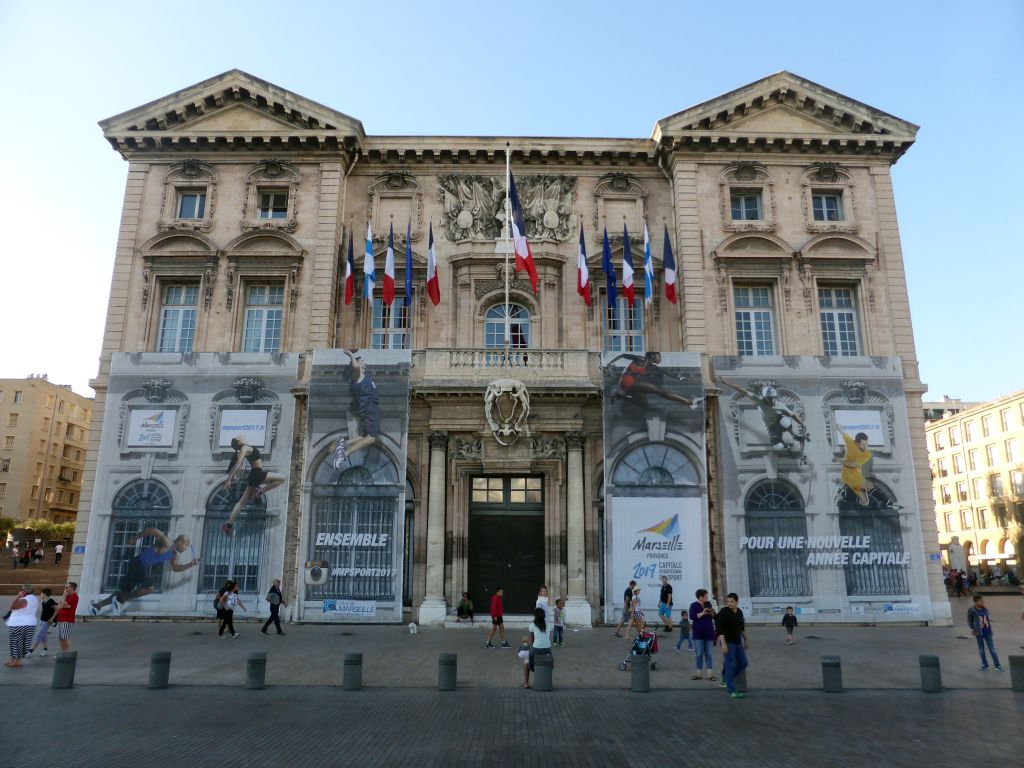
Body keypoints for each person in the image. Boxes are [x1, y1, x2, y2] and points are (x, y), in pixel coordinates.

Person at [90, 529, 199, 616]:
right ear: (180, 542)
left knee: (124, 591)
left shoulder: (174, 555)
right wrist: (134, 538)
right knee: (150, 588)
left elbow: (175, 568)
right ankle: (119, 600)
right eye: (186, 545)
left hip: (138, 565)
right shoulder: (168, 542)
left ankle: (96, 606)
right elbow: (152, 530)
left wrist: (191, 564)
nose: (185, 548)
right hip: (138, 562)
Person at [222, 436, 285, 537]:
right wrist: (229, 478)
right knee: (282, 478)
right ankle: (260, 492)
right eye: (239, 436)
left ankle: (228, 525)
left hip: (255, 474)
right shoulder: (244, 448)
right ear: (240, 441)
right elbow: (238, 464)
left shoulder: (245, 448)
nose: (241, 435)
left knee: (242, 502)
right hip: (256, 474)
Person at [328, 349, 382, 468]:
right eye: (362, 361)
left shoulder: (365, 375)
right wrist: (351, 356)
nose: (364, 362)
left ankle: (342, 443)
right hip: (369, 408)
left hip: (370, 408)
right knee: (371, 438)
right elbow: (355, 367)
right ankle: (344, 454)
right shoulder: (358, 376)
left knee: (364, 437)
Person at [723, 381, 809, 452]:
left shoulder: (780, 405)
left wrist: (801, 424)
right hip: (771, 427)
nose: (771, 400)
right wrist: (727, 383)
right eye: (769, 399)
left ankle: (793, 435)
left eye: (773, 398)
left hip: (778, 421)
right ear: (764, 398)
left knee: (785, 420)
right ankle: (784, 446)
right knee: (777, 445)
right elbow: (742, 391)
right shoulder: (760, 400)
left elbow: (793, 415)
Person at [607, 351, 704, 410]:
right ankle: (690, 402)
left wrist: (679, 378)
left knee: (644, 405)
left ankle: (619, 396)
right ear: (652, 355)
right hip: (627, 381)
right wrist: (609, 364)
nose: (660, 358)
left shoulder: (651, 366)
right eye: (659, 356)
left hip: (629, 385)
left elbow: (665, 371)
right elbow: (623, 355)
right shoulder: (640, 359)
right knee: (658, 390)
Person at [716, 592, 749, 699]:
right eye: (728, 601)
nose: (729, 604)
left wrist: (745, 640)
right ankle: (732, 691)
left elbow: (741, 627)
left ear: (736, 602)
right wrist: (723, 644)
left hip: (737, 641)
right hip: (727, 642)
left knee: (743, 662)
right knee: (730, 665)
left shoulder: (739, 612)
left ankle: (728, 679)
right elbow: (720, 628)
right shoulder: (724, 611)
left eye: (731, 602)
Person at [839, 428, 874, 506]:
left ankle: (845, 496)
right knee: (869, 485)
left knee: (865, 502)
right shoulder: (850, 442)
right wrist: (837, 426)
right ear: (857, 443)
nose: (865, 447)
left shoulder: (867, 454)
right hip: (849, 476)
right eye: (863, 444)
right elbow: (843, 433)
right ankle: (889, 503)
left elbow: (854, 465)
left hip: (857, 477)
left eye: (866, 444)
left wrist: (841, 462)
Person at [4, 585, 38, 668]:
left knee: (15, 642)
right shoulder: (33, 598)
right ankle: (14, 660)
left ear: (24, 591)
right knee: (23, 643)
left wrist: (17, 597)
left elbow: (12, 607)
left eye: (21, 590)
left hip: (18, 624)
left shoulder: (25, 599)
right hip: (30, 623)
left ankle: (16, 661)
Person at [967, 595, 1003, 671]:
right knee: (981, 650)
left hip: (988, 632)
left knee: (992, 649)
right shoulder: (971, 610)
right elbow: (969, 621)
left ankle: (997, 665)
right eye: (981, 601)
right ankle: (984, 664)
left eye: (983, 601)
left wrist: (991, 629)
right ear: (976, 602)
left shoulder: (985, 609)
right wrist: (972, 629)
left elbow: (987, 619)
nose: (983, 602)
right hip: (978, 633)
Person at [689, 589, 717, 681]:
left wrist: (712, 612)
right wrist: (703, 612)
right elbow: (692, 616)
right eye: (705, 596)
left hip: (709, 632)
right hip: (698, 633)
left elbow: (714, 617)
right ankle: (699, 673)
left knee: (709, 653)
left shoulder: (708, 604)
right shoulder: (693, 605)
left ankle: (710, 674)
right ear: (700, 597)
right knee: (699, 653)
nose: (707, 597)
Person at [524, 607, 552, 689]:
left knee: (526, 662)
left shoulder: (532, 625)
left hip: (536, 648)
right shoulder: (548, 624)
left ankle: (526, 683)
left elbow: (532, 641)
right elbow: (548, 638)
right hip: (547, 649)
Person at [27, 588, 57, 658]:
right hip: (42, 620)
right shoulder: (43, 602)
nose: (40, 595)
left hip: (47, 622)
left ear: (45, 594)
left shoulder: (51, 601)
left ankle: (30, 651)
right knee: (44, 636)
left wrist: (52, 619)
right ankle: (45, 650)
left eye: (41, 593)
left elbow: (57, 609)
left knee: (39, 635)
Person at [53, 581, 79, 652]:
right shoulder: (69, 596)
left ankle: (69, 652)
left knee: (65, 637)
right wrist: (61, 605)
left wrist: (64, 596)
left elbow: (63, 605)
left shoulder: (74, 596)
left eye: (67, 587)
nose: (65, 589)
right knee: (61, 637)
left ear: (72, 588)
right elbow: (61, 605)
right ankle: (63, 653)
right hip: (61, 618)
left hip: (67, 619)